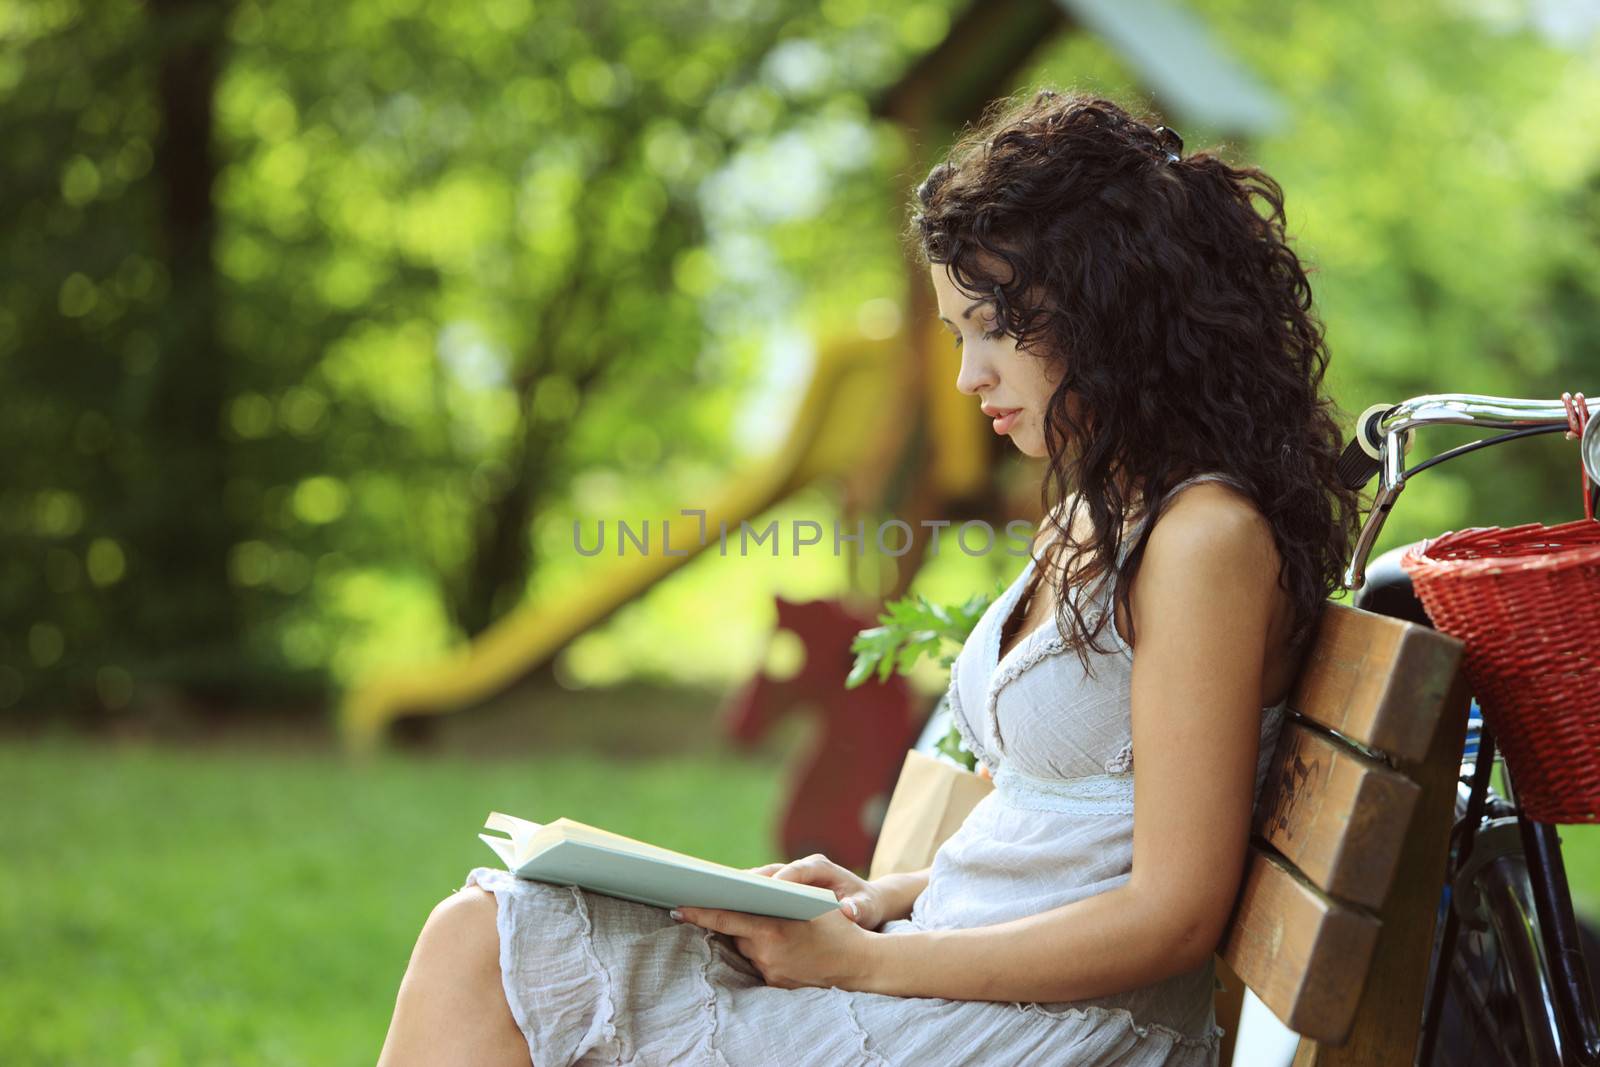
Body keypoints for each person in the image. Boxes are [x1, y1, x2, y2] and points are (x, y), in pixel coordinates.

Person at [376, 90, 1359, 1067]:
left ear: (1106, 313)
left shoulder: (1202, 541)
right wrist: (876, 897)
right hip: (947, 974)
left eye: (992, 327)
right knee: (482, 930)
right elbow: (1058, 832)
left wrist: (860, 958)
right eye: (955, 333)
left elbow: (1171, 914)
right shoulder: (1092, 516)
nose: (969, 374)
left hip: (1052, 1030)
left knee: (489, 944)